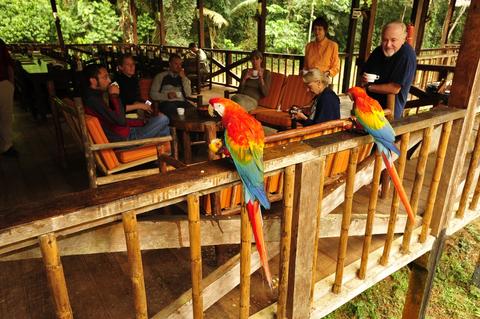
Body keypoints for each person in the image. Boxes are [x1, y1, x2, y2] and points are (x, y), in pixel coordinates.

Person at [82, 64, 170, 143]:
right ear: (93, 81)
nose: (109, 80)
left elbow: (115, 119)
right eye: (105, 77)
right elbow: (120, 121)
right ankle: (161, 158)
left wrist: (142, 122)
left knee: (163, 126)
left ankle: (159, 158)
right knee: (163, 119)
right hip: (125, 139)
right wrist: (114, 95)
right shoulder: (93, 100)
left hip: (125, 132)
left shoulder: (94, 97)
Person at [361, 20, 417, 120]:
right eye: (385, 40)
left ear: (404, 39)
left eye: (393, 40)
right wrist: (363, 80)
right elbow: (363, 74)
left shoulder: (406, 55)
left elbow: (394, 88)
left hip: (389, 114)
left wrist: (369, 87)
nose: (388, 45)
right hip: (369, 108)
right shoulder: (378, 51)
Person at [150, 53, 192, 119]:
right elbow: (152, 94)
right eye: (176, 64)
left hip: (181, 102)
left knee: (193, 110)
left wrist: (184, 78)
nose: (179, 67)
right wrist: (167, 96)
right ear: (170, 64)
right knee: (174, 111)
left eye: (180, 64)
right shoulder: (160, 76)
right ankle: (178, 128)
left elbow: (188, 94)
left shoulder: (183, 78)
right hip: (166, 103)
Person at [0, 38, 16, 157]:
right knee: (5, 116)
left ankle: (7, 145)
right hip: (4, 83)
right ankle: (7, 145)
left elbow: (8, 63)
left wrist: (11, 83)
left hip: (3, 83)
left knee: (6, 116)